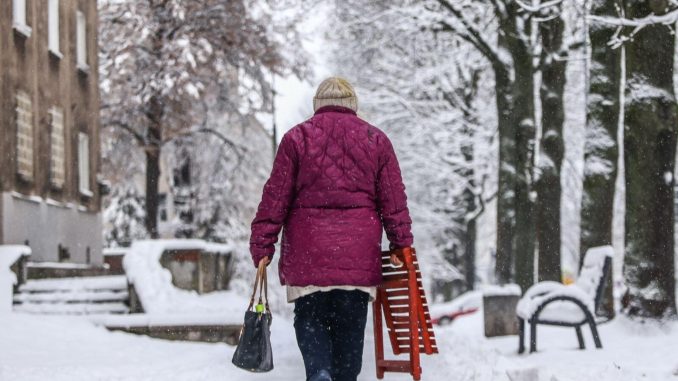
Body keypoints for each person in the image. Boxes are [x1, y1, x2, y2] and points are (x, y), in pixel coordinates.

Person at [249, 76, 413, 381]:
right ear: (353, 106)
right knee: (350, 325)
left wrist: (262, 244)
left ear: (317, 106)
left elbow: (275, 197)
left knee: (311, 317)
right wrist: (400, 243)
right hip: (357, 255)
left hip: (308, 253)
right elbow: (394, 201)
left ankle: (319, 373)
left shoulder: (296, 139)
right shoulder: (376, 140)